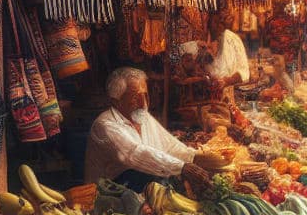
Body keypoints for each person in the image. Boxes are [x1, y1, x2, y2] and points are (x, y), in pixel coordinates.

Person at [85, 67, 213, 192]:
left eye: (145, 95)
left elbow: (170, 147)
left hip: (138, 188)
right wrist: (182, 167)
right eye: (136, 97)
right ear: (116, 102)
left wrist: (195, 158)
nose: (144, 103)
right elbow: (135, 153)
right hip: (109, 194)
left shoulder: (142, 117)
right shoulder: (105, 125)